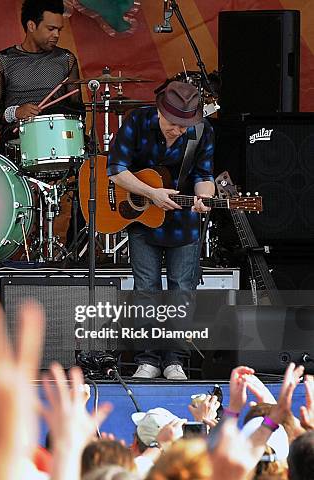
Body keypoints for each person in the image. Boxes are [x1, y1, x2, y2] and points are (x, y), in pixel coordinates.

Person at [107, 81, 215, 380]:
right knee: (146, 290)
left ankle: (175, 361)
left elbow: (204, 175)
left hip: (183, 224)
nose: (178, 130)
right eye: (173, 124)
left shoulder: (202, 131)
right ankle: (147, 359)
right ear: (159, 111)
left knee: (182, 291)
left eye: (185, 125)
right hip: (143, 220)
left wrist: (205, 197)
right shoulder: (137, 121)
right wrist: (151, 194)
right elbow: (116, 169)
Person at [0, 0, 85, 153]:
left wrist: (52, 116)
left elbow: (78, 108)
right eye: (51, 29)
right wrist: (15, 112)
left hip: (60, 142)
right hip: (16, 143)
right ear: (31, 26)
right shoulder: (3, 60)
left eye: (59, 30)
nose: (56, 35)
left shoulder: (66, 59)